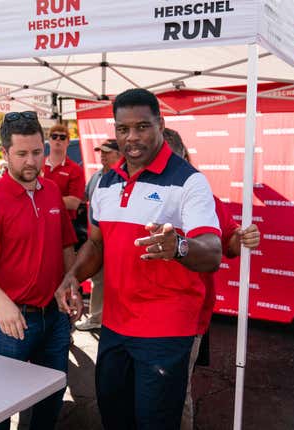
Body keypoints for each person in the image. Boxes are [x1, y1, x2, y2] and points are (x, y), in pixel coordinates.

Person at [57, 88, 222, 429]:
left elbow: (213, 251)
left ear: (160, 124)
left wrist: (178, 246)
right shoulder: (105, 182)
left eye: (142, 127)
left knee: (154, 422)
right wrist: (73, 274)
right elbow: (97, 245)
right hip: (115, 326)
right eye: (123, 129)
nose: (132, 137)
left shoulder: (189, 181)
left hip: (165, 330)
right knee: (114, 415)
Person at [0, 111, 81, 430]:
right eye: (22, 153)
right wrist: (1, 303)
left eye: (37, 152)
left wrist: (71, 284)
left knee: (52, 391)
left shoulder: (52, 190)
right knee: (0, 402)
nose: (31, 161)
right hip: (11, 321)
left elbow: (66, 245)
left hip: (54, 316)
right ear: (6, 152)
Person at [164, 129, 261, 430]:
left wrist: (243, 237)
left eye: (168, 157)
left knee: (174, 395)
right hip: (138, 316)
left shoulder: (202, 196)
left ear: (182, 157)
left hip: (186, 317)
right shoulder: (135, 194)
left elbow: (229, 241)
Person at [75, 139, 121, 331]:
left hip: (118, 241)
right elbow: (85, 199)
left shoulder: (125, 177)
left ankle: (116, 320)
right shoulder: (95, 177)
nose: (102, 155)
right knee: (98, 280)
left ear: (120, 155)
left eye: (107, 152)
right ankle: (95, 318)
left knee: (119, 282)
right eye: (100, 151)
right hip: (97, 239)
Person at [42, 123, 85, 220]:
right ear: (49, 140)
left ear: (68, 142)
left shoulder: (76, 170)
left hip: (64, 223)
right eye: (54, 136)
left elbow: (74, 203)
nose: (58, 139)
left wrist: (42, 200)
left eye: (62, 137)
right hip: (39, 221)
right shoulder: (38, 165)